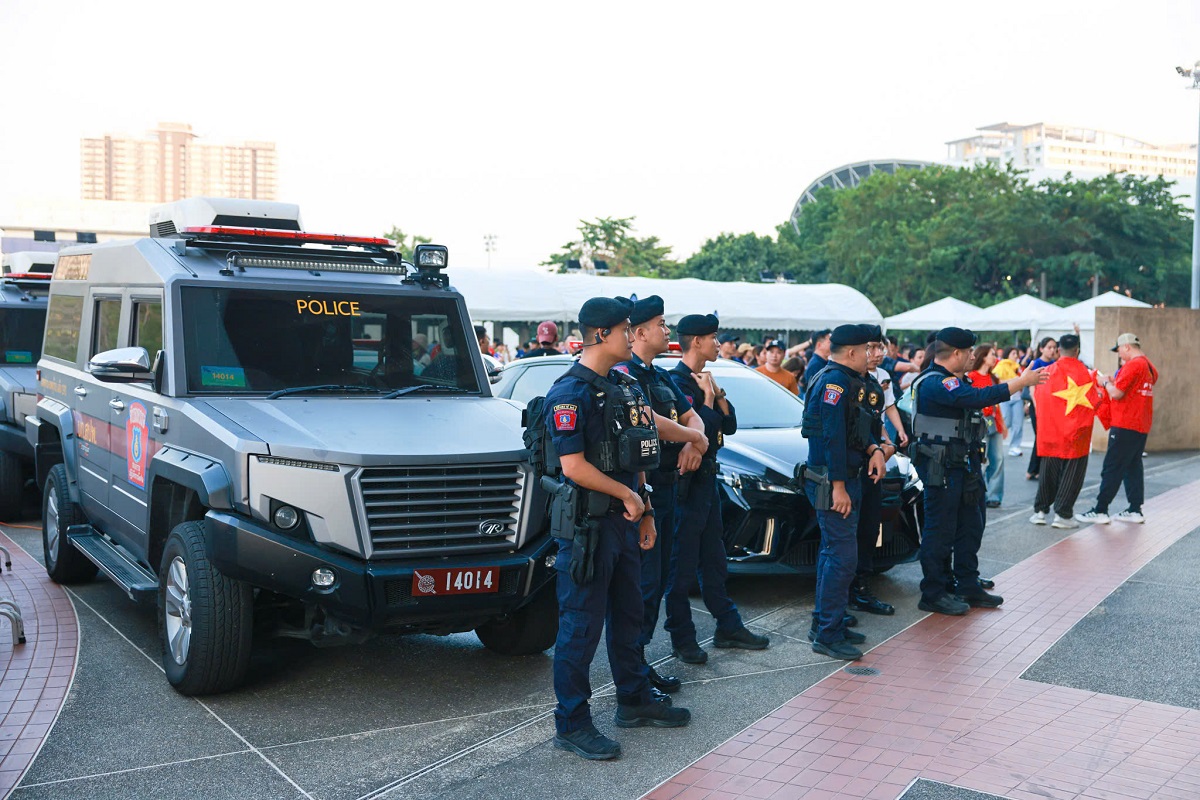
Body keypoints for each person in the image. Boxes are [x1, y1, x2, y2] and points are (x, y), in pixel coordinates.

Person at [542, 296, 690, 760]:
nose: (634, 335)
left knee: (629, 617)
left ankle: (634, 699)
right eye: (627, 329)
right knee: (580, 628)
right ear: (602, 334)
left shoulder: (624, 387)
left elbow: (640, 451)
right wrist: (627, 497)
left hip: (625, 525)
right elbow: (572, 466)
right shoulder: (570, 393)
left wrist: (643, 506)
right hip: (589, 528)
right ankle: (572, 723)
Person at [910, 327, 1046, 615]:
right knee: (941, 529)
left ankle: (967, 583)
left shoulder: (958, 380)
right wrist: (1020, 381)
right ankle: (934, 592)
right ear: (956, 353)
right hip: (942, 467)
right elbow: (972, 399)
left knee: (971, 525)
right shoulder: (935, 383)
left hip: (966, 464)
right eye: (970, 352)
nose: (973, 356)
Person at [617, 296, 709, 697]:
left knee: (654, 584)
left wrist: (694, 439)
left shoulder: (659, 375)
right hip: (640, 492)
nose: (666, 330)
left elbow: (690, 413)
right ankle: (632, 674)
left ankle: (639, 664)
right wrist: (693, 437)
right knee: (641, 586)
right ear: (639, 333)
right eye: (660, 323)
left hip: (668, 490)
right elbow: (650, 422)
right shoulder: (625, 374)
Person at [664, 314, 769, 664]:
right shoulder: (675, 383)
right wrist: (708, 402)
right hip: (687, 486)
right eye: (712, 337)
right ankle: (682, 636)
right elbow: (701, 435)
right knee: (681, 566)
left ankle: (728, 625)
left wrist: (718, 395)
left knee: (714, 559)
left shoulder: (706, 378)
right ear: (696, 342)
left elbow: (731, 425)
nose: (718, 343)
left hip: (708, 483)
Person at [801, 324, 887, 660]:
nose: (871, 356)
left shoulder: (846, 380)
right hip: (832, 480)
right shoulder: (833, 382)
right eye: (866, 350)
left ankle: (825, 621)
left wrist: (873, 449)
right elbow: (832, 439)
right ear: (851, 352)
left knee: (832, 555)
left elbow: (855, 430)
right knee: (841, 557)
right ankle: (828, 634)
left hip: (844, 477)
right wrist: (839, 487)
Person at [847, 330, 905, 618]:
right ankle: (845, 593)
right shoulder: (841, 381)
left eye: (878, 347)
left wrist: (885, 445)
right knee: (847, 535)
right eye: (868, 347)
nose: (874, 353)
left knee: (869, 527)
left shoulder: (874, 381)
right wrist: (879, 448)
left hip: (871, 465)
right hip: (850, 469)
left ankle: (860, 587)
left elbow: (876, 420)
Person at [1078, 333, 1159, 525]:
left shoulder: (1133, 365)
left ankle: (1100, 509)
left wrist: (1104, 382)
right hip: (1141, 423)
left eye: (1119, 350)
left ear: (1127, 347)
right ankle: (1134, 509)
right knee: (1132, 466)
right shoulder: (1148, 365)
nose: (1119, 355)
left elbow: (1117, 393)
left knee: (1113, 467)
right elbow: (1133, 389)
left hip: (1125, 424)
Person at [1030, 334, 1106, 529]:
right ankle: (1062, 514)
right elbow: (1095, 400)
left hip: (1052, 430)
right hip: (1076, 432)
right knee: (1073, 471)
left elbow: (1037, 397)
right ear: (1077, 350)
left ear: (1058, 350)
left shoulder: (1047, 372)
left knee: (1048, 469)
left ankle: (1040, 511)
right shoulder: (1086, 373)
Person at [966, 345, 1007, 508]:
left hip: (994, 421)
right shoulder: (971, 377)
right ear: (983, 356)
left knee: (997, 459)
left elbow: (998, 403)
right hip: (979, 421)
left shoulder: (994, 378)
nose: (994, 358)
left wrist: (1002, 424)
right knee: (980, 458)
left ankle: (994, 495)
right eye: (992, 354)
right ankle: (978, 492)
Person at [1025, 337, 1059, 480]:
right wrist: (1037, 405)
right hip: (1038, 405)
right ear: (1041, 349)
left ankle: (1038, 469)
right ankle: (1033, 469)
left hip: (1050, 406)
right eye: (1049, 347)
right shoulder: (1037, 363)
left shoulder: (1055, 364)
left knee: (1045, 437)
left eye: (1054, 347)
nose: (1052, 350)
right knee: (1040, 436)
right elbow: (1032, 388)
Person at [993, 347, 1024, 456]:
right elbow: (1000, 382)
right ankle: (996, 444)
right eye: (1013, 353)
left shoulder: (1018, 367)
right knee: (1006, 421)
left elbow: (1024, 380)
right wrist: (1016, 380)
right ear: (1007, 355)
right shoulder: (1001, 366)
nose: (1016, 356)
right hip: (1004, 399)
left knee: (1018, 423)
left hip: (1017, 398)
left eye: (1017, 353)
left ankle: (1014, 446)